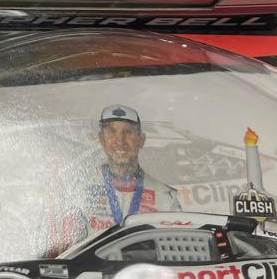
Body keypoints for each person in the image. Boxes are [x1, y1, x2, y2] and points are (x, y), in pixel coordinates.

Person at [50, 105, 180, 254]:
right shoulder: (78, 191)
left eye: (128, 132)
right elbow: (64, 252)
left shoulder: (166, 197)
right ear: (102, 139)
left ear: (141, 140)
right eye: (111, 132)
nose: (120, 141)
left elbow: (176, 255)